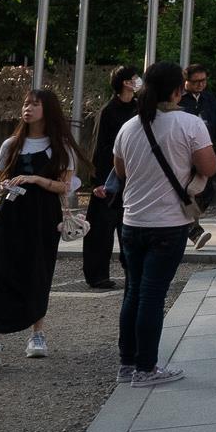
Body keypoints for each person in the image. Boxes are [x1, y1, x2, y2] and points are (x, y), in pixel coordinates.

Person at [0, 89, 78, 369]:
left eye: (35, 104)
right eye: (25, 104)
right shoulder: (11, 144)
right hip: (10, 212)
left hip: (42, 215)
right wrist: (2, 184)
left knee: (37, 269)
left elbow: (65, 186)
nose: (28, 108)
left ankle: (38, 333)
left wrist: (35, 179)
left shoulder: (60, 146)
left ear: (47, 110)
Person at [112, 61, 215, 386]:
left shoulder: (130, 126)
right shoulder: (190, 123)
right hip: (168, 222)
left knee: (134, 292)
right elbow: (209, 167)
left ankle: (127, 363)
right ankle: (146, 368)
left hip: (132, 220)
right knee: (153, 296)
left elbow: (120, 170)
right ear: (177, 91)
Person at [81, 66, 141, 289]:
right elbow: (99, 146)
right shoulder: (108, 111)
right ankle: (97, 275)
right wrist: (97, 181)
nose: (138, 81)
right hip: (109, 176)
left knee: (130, 227)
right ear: (126, 82)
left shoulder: (139, 107)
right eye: (135, 78)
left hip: (133, 175)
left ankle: (134, 271)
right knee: (101, 229)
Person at [180, 63, 216, 159]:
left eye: (203, 80)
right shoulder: (177, 98)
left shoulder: (209, 98)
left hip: (206, 149)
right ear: (186, 81)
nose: (200, 84)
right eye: (196, 81)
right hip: (184, 151)